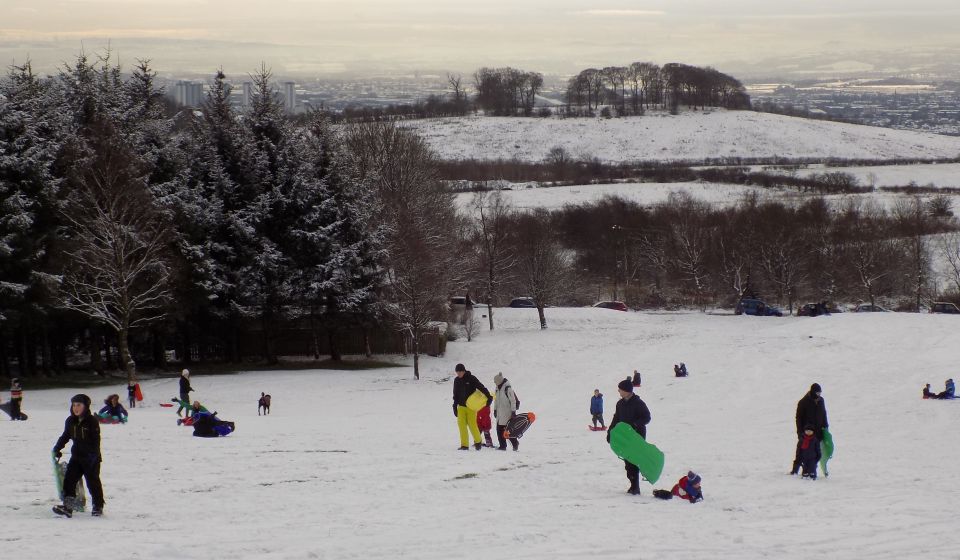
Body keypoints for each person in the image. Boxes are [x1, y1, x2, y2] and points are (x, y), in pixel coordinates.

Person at [52, 394, 105, 517]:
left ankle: (98, 506)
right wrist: (57, 448)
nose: (76, 408)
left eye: (79, 405)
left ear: (86, 406)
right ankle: (68, 507)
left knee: (93, 482)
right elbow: (65, 436)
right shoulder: (70, 421)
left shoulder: (92, 421)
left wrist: (94, 456)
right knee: (69, 481)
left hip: (91, 458)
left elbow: (96, 440)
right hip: (76, 457)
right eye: (74, 405)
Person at [607, 379, 651, 495]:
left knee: (634, 461)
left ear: (626, 391)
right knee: (628, 461)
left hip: (637, 437)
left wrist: (635, 424)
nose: (619, 391)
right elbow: (616, 419)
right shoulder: (620, 404)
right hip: (625, 437)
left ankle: (636, 487)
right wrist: (610, 432)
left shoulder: (638, 403)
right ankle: (633, 485)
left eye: (620, 389)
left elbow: (647, 417)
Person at [790, 383, 828, 475]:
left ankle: (811, 471)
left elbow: (824, 414)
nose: (819, 395)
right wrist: (799, 432)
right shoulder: (803, 402)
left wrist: (826, 427)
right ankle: (795, 470)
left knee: (814, 453)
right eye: (817, 393)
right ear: (812, 392)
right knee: (801, 452)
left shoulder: (821, 401)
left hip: (818, 432)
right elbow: (798, 418)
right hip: (806, 433)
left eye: (820, 393)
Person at [452, 363, 492, 450]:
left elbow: (481, 387)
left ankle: (478, 441)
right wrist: (454, 406)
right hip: (461, 407)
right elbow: (455, 394)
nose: (458, 374)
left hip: (471, 407)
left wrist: (489, 396)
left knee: (472, 425)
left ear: (464, 371)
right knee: (461, 425)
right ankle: (464, 445)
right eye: (457, 372)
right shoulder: (456, 380)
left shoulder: (471, 378)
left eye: (460, 372)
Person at [493, 372, 519, 451]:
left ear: (499, 381)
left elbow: (513, 401)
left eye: (496, 382)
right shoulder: (497, 388)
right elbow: (496, 401)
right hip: (500, 413)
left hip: (507, 413)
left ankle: (515, 443)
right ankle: (502, 446)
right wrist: (495, 409)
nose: (495, 384)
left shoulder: (508, 388)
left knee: (507, 430)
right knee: (498, 429)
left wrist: (513, 412)